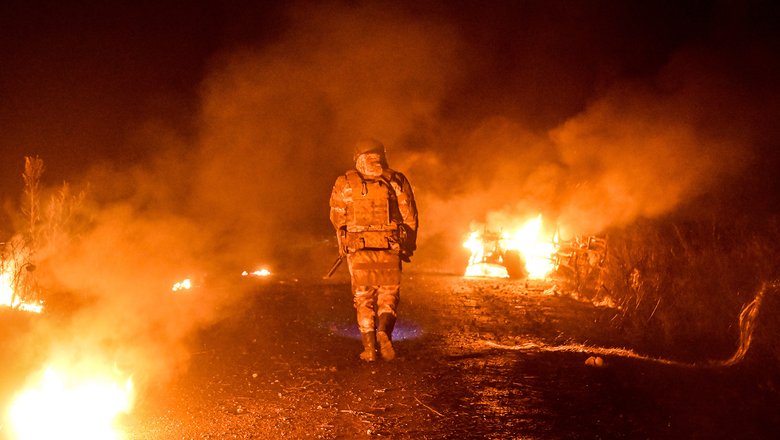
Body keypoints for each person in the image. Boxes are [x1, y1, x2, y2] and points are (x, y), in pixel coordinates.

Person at [329, 138, 418, 361]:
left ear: (357, 157)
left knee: (363, 297)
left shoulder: (345, 182)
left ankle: (369, 348)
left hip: (359, 249)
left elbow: (337, 219)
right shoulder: (396, 179)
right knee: (388, 295)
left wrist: (344, 246)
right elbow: (410, 216)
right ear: (382, 155)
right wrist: (409, 245)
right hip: (389, 246)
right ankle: (383, 332)